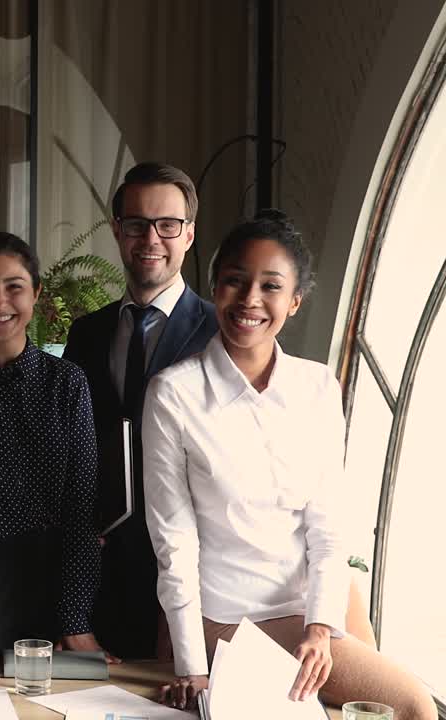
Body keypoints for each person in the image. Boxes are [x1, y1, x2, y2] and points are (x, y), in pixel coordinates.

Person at [143, 211, 436, 719]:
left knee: (392, 709)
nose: (250, 299)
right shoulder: (174, 394)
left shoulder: (317, 387)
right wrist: (192, 663)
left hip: (318, 605)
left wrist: (321, 629)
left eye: (271, 286)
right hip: (230, 614)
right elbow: (175, 541)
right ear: (215, 288)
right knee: (413, 705)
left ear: (294, 302)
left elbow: (326, 527)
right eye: (235, 280)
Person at [62, 162, 217, 660]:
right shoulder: (87, 334)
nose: (151, 238)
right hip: (104, 579)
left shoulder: (220, 333)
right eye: (136, 224)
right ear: (117, 231)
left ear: (189, 234)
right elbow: (73, 449)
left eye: (167, 225)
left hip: (197, 575)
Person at [0, 232, 116, 664]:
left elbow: (82, 506)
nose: (0, 303)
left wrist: (75, 621)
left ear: (36, 294)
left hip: (55, 582)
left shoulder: (68, 384)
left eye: (14, 287)